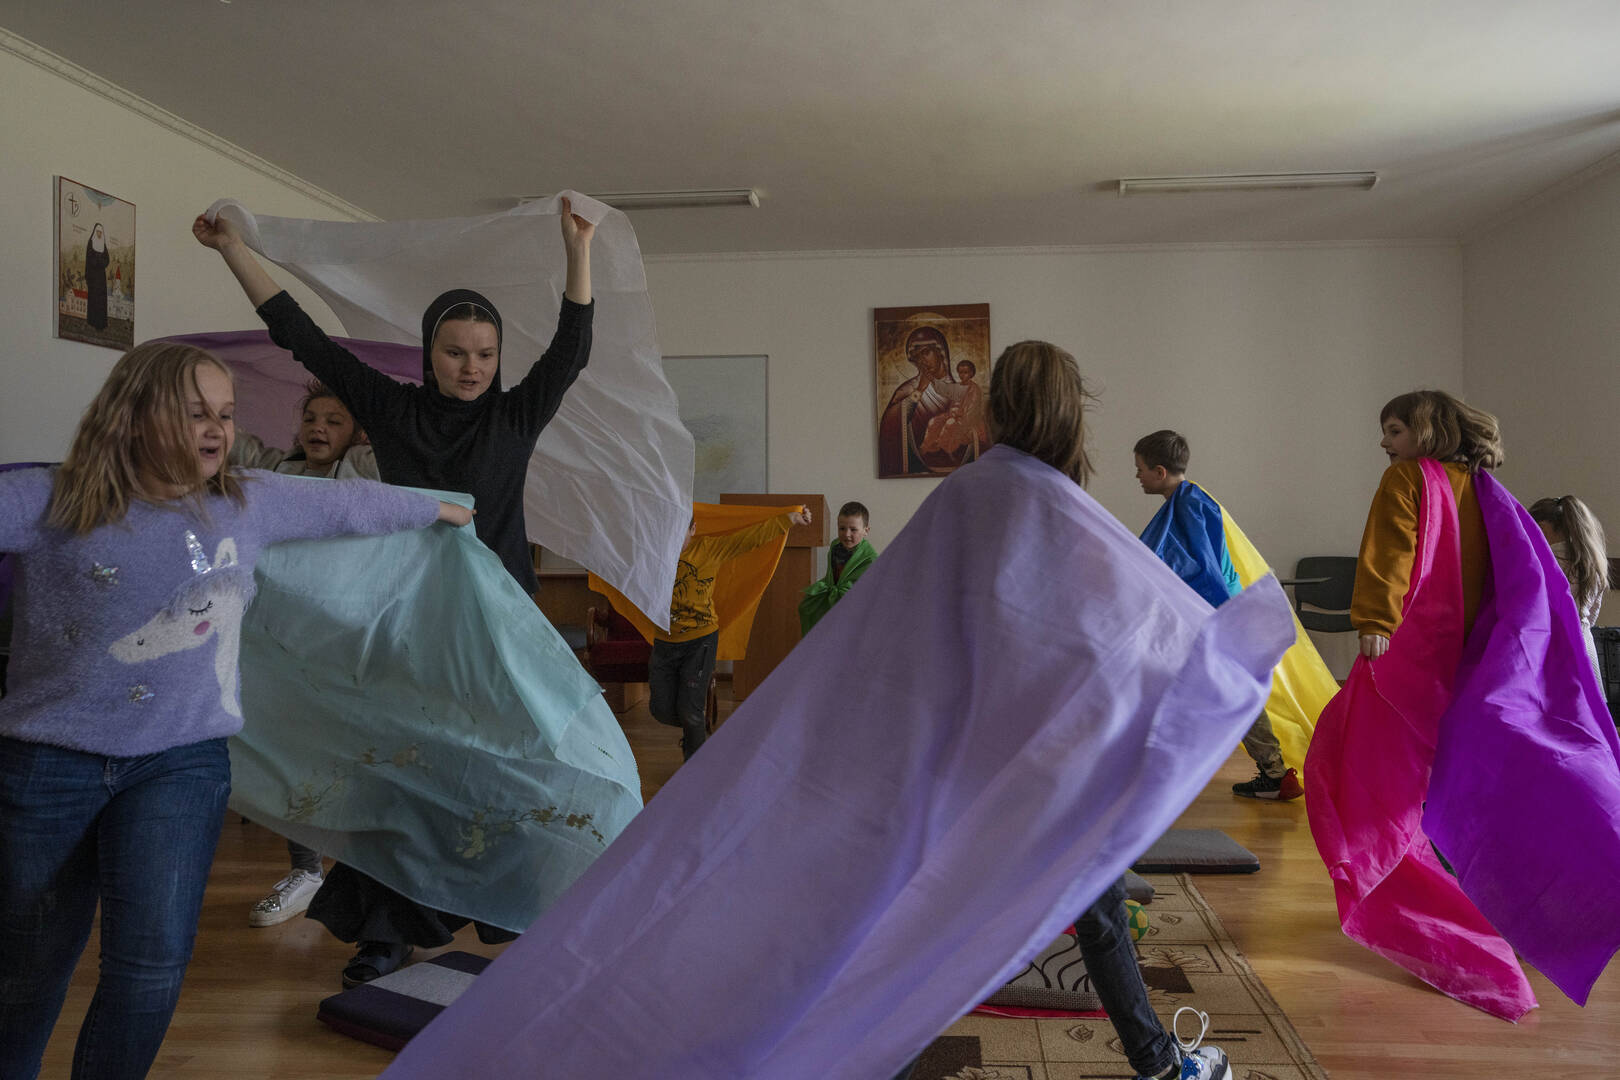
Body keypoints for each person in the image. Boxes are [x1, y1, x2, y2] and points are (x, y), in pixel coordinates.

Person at [379, 339, 1291, 1080]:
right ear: (1070, 415)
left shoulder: (974, 494)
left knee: (908, 918)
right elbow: (1124, 629)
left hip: (940, 754)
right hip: (1014, 761)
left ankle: (1147, 1060)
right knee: (996, 909)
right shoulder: (1058, 509)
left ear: (999, 408)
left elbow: (905, 624)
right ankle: (1156, 1063)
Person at [0, 341, 468, 1080]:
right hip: (46, 764)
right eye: (195, 413)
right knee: (25, 972)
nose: (216, 428)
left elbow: (347, 503)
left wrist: (450, 511)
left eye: (225, 413)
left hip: (178, 765)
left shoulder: (245, 500)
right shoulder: (49, 498)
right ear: (135, 414)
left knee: (147, 971)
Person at [194, 196, 598, 986]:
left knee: (509, 765)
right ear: (430, 352)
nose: (471, 367)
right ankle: (385, 931)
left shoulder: (517, 416)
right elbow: (299, 332)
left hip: (504, 627)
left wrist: (577, 249)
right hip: (414, 621)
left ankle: (514, 901)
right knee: (405, 771)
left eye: (484, 353)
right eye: (455, 352)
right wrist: (231, 250)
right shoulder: (391, 408)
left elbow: (573, 349)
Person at [229, 382, 376, 927]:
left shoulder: (363, 470)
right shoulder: (276, 472)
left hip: (345, 641)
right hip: (281, 640)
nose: (318, 428)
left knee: (352, 758)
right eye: (311, 418)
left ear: (357, 434)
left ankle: (368, 879)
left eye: (334, 421)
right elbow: (235, 447)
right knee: (287, 757)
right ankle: (306, 870)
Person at [1134, 429, 1324, 801]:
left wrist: (1214, 618)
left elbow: (1204, 566)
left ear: (1159, 471)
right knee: (1218, 691)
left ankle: (1268, 771)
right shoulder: (1190, 499)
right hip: (1219, 611)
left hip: (1214, 613)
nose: (1136, 476)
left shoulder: (1188, 504)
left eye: (1139, 469)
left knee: (1218, 691)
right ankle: (1269, 770)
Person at [652, 505, 810, 760]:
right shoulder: (652, 554)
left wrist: (789, 518)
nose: (672, 538)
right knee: (659, 709)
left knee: (690, 712)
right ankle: (694, 728)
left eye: (678, 532)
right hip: (664, 643)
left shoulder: (709, 549)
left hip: (700, 641)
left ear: (693, 529)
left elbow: (749, 538)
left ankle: (696, 763)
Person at [1528, 494, 1607, 680]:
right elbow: (1592, 615)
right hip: (1585, 645)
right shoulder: (1592, 563)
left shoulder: (1540, 562)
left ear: (1540, 528)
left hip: (1552, 646)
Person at [798, 500, 878, 634]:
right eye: (842, 528)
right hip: (831, 598)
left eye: (853, 529)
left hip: (853, 606)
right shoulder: (835, 545)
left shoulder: (871, 559)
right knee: (807, 609)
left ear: (866, 531)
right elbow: (831, 575)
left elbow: (869, 593)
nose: (847, 534)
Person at [84, 223, 109, 331]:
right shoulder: (91, 243)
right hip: (94, 277)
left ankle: (101, 324)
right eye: (98, 232)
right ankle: (92, 322)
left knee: (101, 300)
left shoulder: (103, 245)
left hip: (101, 279)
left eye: (100, 232)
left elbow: (107, 259)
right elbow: (89, 259)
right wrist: (96, 262)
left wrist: (101, 262)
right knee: (94, 299)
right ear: (95, 232)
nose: (99, 234)